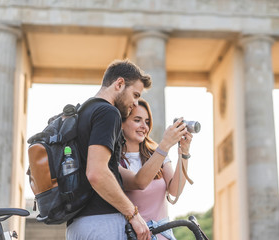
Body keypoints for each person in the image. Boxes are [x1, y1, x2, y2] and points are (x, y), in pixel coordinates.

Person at [66, 59, 152, 240]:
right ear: (119, 84)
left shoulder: (83, 111)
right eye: (135, 95)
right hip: (103, 223)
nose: (136, 103)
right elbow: (97, 173)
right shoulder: (108, 112)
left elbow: (102, 167)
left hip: (77, 226)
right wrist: (133, 215)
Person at [119, 98, 193, 240]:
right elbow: (139, 183)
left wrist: (184, 152)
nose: (144, 126)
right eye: (137, 120)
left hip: (165, 235)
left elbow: (174, 189)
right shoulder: (116, 160)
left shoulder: (156, 153)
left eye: (147, 122)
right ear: (121, 123)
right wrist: (165, 145)